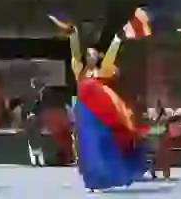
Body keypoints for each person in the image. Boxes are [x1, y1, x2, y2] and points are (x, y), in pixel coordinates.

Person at [53, 12, 148, 192]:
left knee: (104, 147)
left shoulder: (104, 72)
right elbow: (75, 51)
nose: (90, 55)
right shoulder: (80, 71)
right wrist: (73, 35)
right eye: (88, 53)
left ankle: (106, 178)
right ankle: (92, 181)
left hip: (102, 116)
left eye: (93, 53)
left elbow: (111, 55)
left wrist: (118, 39)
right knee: (88, 148)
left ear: (98, 57)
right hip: (85, 114)